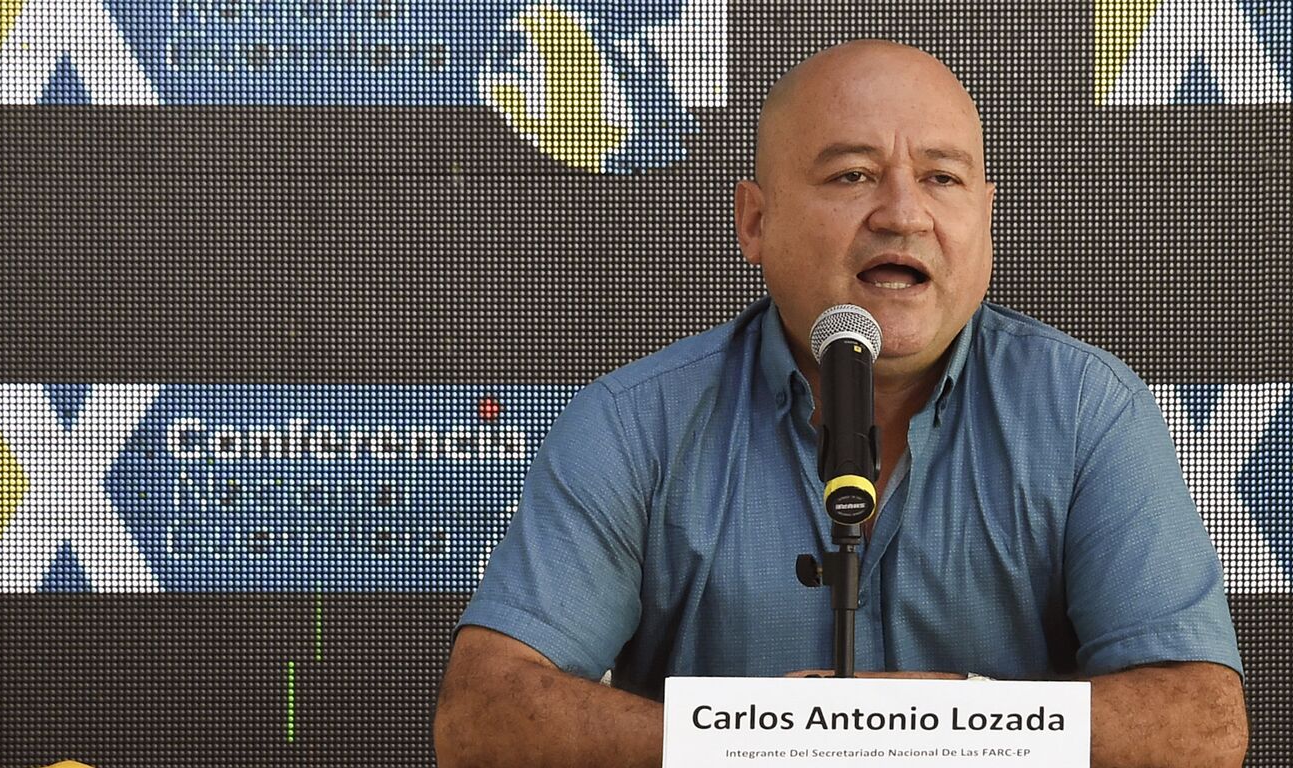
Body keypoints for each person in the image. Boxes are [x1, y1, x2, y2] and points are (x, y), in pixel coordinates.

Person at [433, 39, 1249, 768]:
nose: (903, 212)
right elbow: (483, 717)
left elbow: (1202, 725)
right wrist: (768, 739)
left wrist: (937, 728)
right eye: (852, 175)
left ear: (986, 219)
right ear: (755, 221)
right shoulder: (632, 421)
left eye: (942, 177)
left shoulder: (1089, 410)